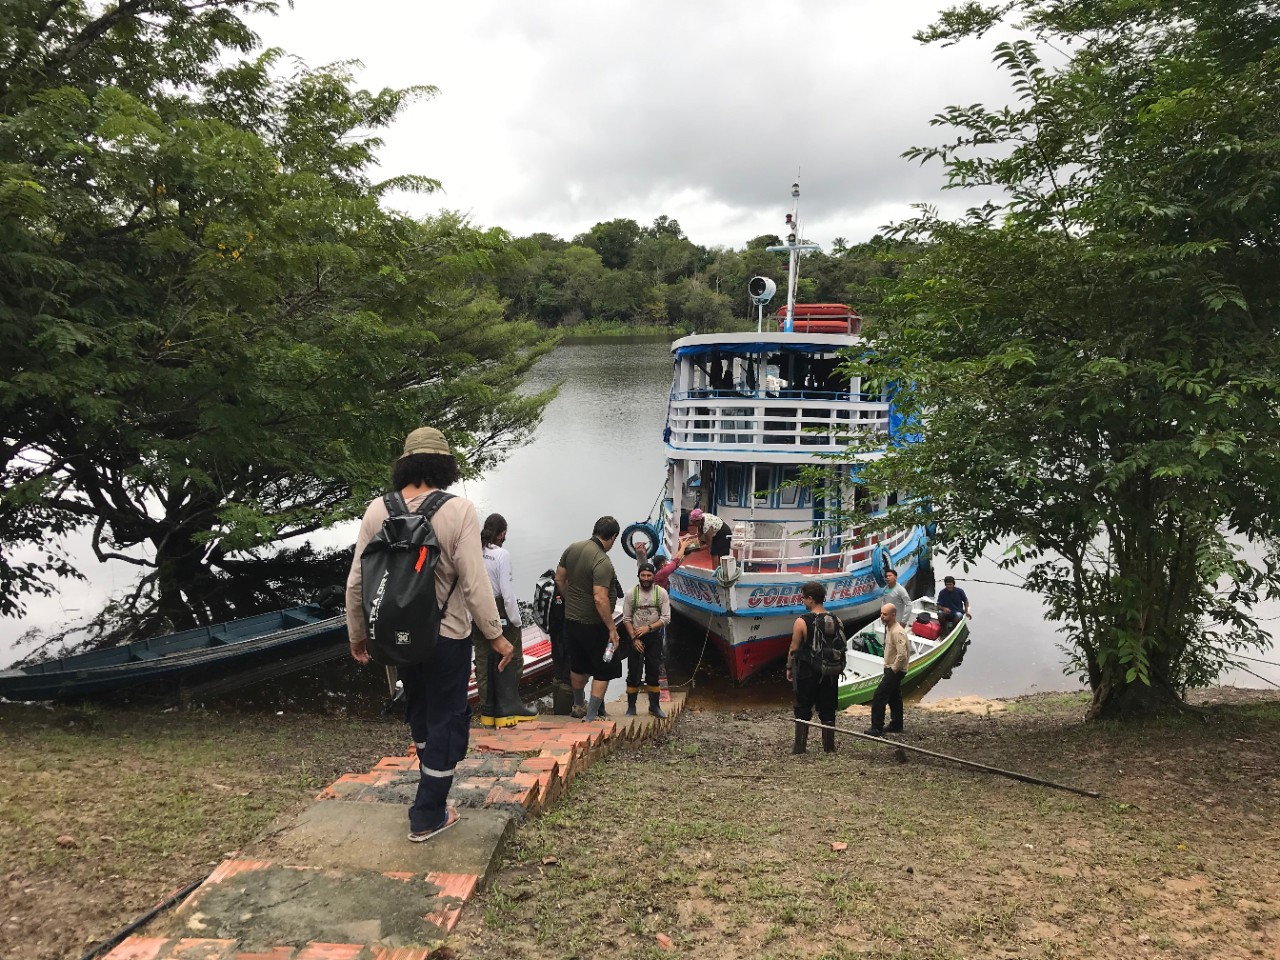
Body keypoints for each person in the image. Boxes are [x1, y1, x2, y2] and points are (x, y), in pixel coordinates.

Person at [346, 426, 513, 843]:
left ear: (404, 464)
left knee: (419, 709)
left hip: (396, 636)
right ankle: (428, 814)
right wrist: (496, 635)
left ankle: (430, 779)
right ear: (446, 466)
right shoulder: (459, 511)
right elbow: (475, 583)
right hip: (448, 637)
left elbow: (355, 584)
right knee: (448, 718)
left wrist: (358, 635)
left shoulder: (376, 511)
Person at [556, 517, 622, 721]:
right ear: (612, 537)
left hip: (571, 620)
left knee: (578, 665)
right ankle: (591, 716)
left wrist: (571, 600)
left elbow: (559, 578)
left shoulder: (573, 548)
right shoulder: (602, 560)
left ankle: (578, 705)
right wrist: (611, 628)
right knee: (604, 668)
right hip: (594, 624)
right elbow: (600, 598)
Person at [478, 514, 537, 726]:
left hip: (478, 614)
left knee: (483, 662)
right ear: (502, 534)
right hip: (501, 613)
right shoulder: (502, 554)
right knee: (513, 658)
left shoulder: (475, 551)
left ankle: (488, 711)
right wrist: (516, 620)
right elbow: (507, 593)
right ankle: (509, 706)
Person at [786, 581, 840, 754]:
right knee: (828, 708)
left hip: (806, 672)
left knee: (803, 707)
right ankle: (829, 747)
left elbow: (794, 648)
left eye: (803, 598)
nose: (802, 601)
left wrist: (789, 667)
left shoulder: (802, 622)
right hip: (830, 672)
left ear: (810, 599)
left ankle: (800, 747)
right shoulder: (836, 620)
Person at [623, 561, 671, 718]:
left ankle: (654, 706)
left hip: (653, 637)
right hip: (636, 637)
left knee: (653, 672)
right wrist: (633, 638)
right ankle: (631, 707)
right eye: (643, 575)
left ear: (653, 576)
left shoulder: (661, 593)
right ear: (638, 576)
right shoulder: (631, 594)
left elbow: (666, 618)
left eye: (649, 575)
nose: (645, 578)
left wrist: (649, 628)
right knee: (634, 673)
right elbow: (627, 619)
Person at [866, 602, 909, 736]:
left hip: (895, 670)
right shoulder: (889, 628)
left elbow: (902, 655)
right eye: (881, 614)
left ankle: (876, 728)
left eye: (885, 614)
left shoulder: (898, 631)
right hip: (890, 668)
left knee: (879, 696)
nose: (882, 617)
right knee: (894, 697)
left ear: (893, 615)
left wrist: (893, 670)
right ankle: (897, 725)